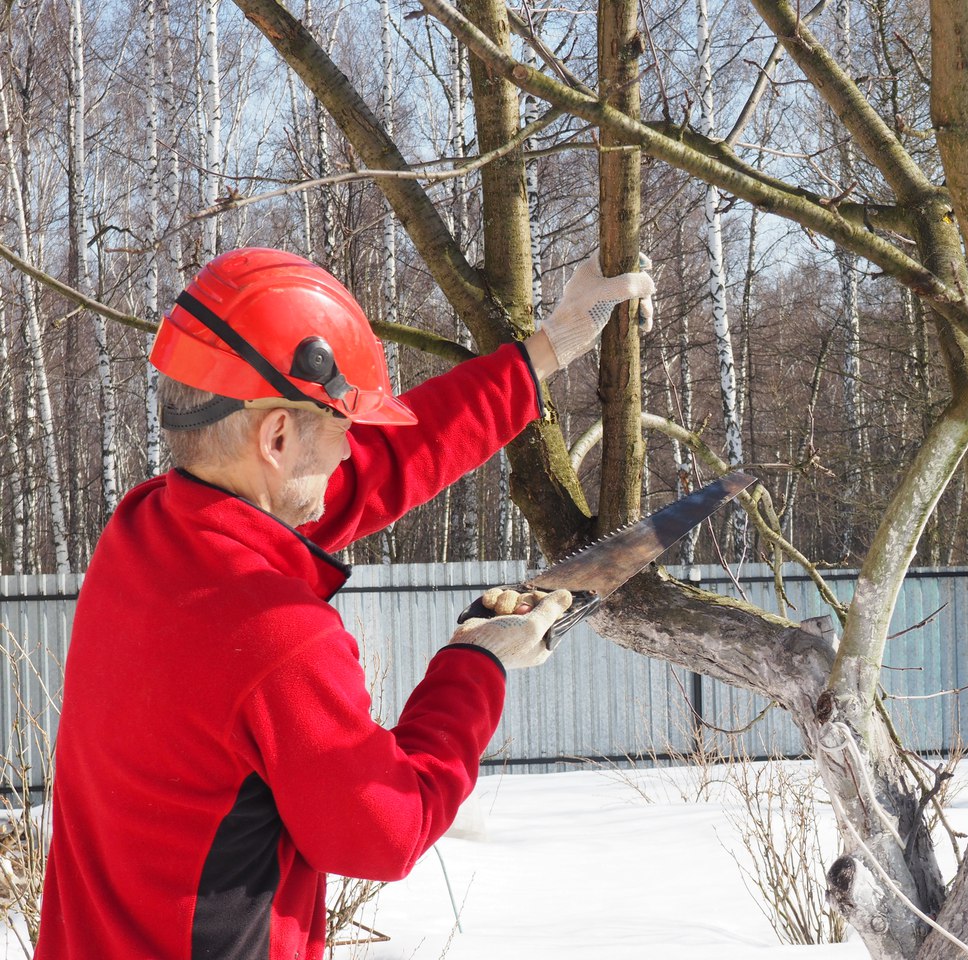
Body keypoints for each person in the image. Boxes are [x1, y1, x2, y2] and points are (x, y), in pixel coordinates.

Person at [34, 246, 655, 959]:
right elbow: (383, 832)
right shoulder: (279, 633)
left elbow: (382, 466)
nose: (349, 452)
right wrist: (474, 665)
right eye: (342, 428)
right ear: (275, 437)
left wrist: (548, 347)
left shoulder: (144, 534)